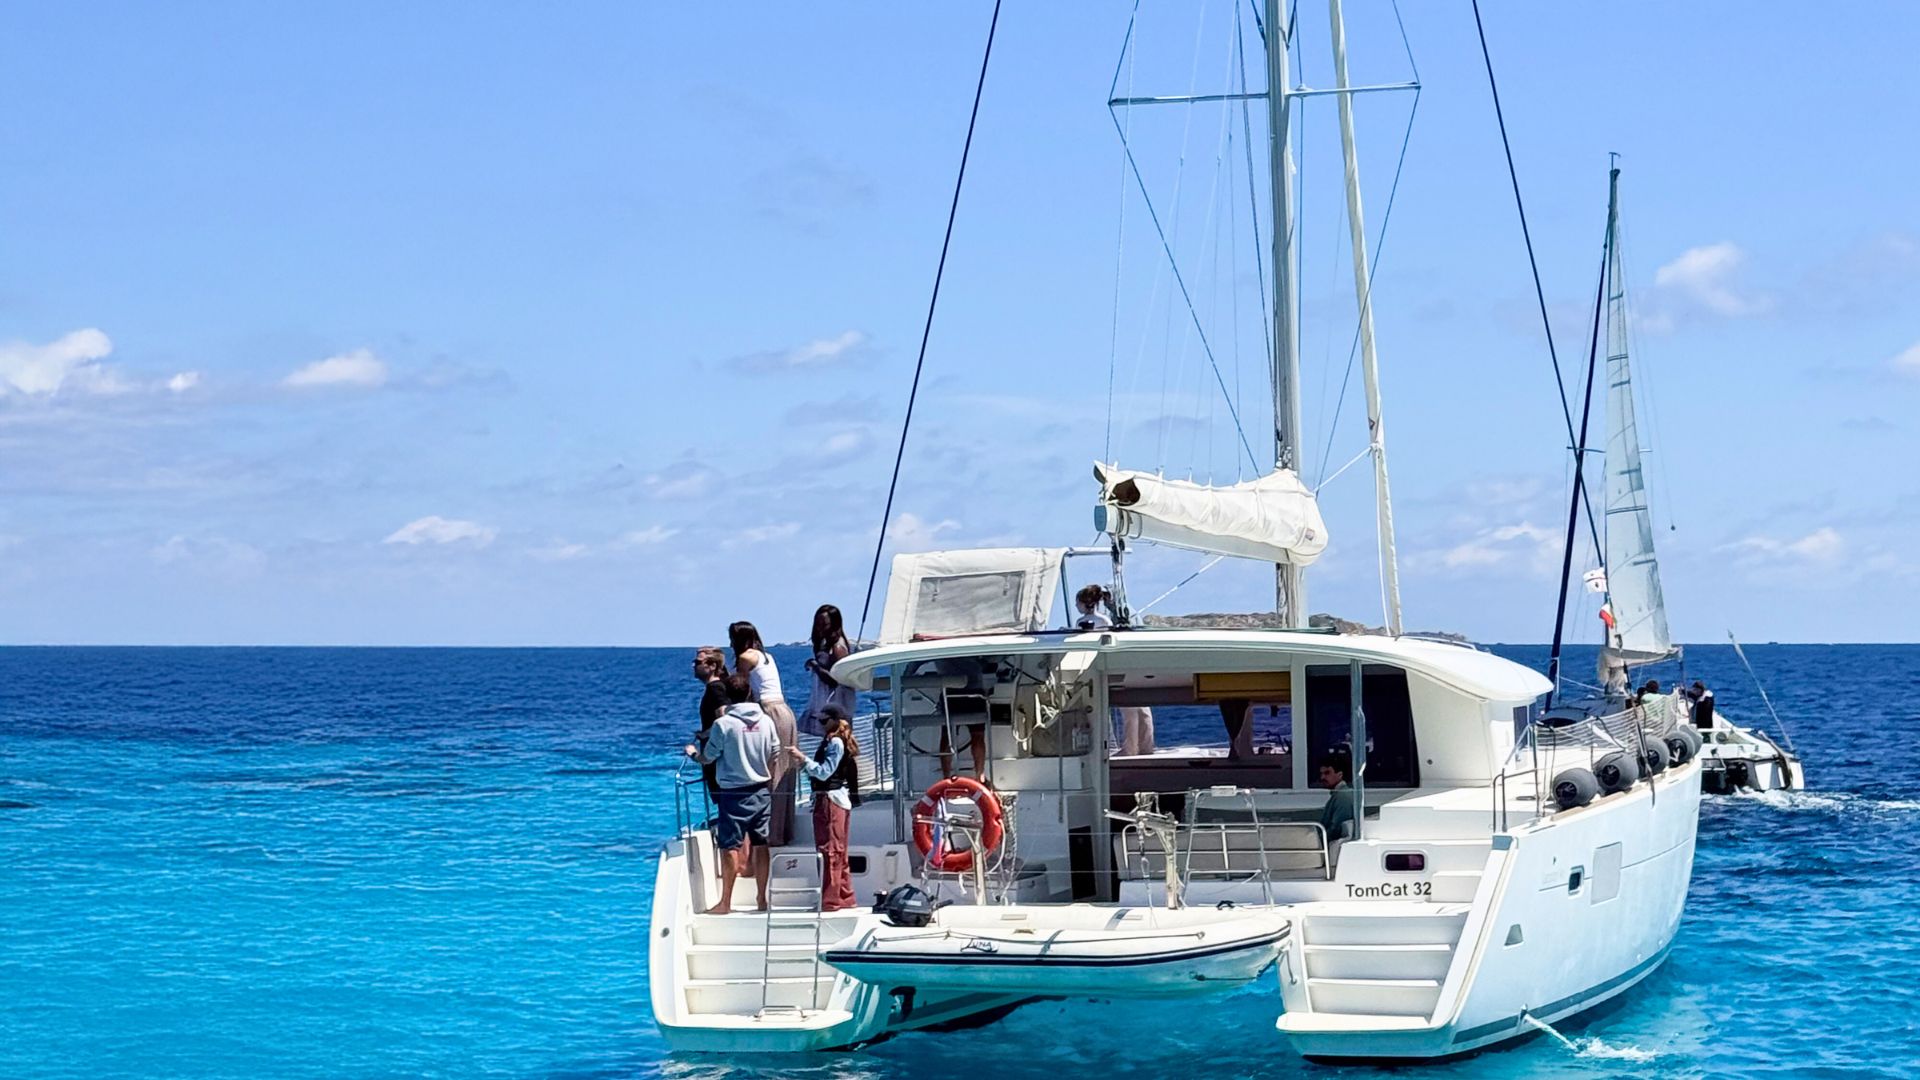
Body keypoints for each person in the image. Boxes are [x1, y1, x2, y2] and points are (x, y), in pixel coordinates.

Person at [686, 675, 782, 914]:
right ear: (750, 692)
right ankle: (762, 899)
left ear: (728, 696)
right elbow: (775, 752)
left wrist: (693, 755)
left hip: (732, 793)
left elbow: (709, 756)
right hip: (761, 790)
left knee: (730, 845)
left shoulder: (724, 724)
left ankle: (725, 902)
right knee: (761, 844)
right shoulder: (766, 720)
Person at [730, 621, 799, 848]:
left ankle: (772, 833)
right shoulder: (766, 656)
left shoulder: (746, 657)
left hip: (770, 711)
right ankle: (784, 829)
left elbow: (740, 686)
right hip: (785, 711)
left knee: (773, 772)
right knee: (786, 771)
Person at [788, 705, 861, 912]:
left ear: (834, 721)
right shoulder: (835, 741)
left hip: (830, 800)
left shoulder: (835, 743)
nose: (820, 725)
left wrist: (803, 760)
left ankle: (830, 901)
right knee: (838, 851)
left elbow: (823, 773)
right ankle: (845, 897)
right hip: (835, 799)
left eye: (823, 721)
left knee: (830, 851)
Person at [801, 604, 857, 738]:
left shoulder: (838, 648)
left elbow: (834, 680)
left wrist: (814, 665)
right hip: (824, 702)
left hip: (835, 705)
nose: (820, 628)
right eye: (818, 624)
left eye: (824, 624)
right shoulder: (825, 644)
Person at [692, 647, 731, 796]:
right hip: (717, 754)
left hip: (718, 756)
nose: (694, 666)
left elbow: (724, 717)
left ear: (713, 666)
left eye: (698, 662)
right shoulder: (715, 688)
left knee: (723, 798)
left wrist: (705, 734)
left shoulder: (716, 689)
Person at [1317, 750, 1356, 843]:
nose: (1322, 777)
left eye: (1327, 773)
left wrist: (1317, 841)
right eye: (1321, 774)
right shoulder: (1339, 795)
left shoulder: (1343, 797)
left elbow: (1336, 828)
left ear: (1340, 774)